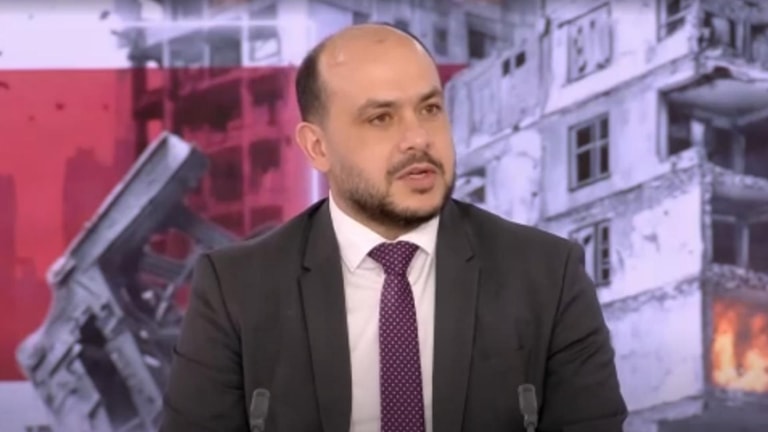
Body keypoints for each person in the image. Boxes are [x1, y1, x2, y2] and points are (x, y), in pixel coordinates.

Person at [159, 23, 627, 432]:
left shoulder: (549, 274)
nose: (418, 139)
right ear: (317, 147)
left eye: (430, 109)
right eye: (381, 118)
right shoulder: (234, 288)